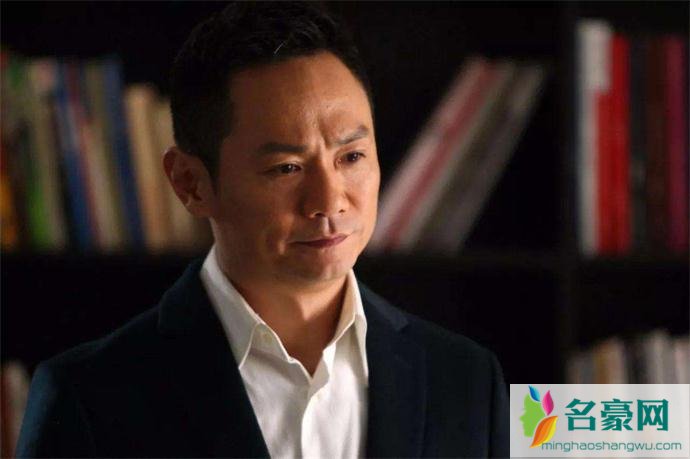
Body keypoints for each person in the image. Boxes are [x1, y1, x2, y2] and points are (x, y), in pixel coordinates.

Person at [16, 2, 509, 457]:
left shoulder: (468, 380)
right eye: (286, 168)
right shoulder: (88, 399)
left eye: (352, 157)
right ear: (190, 184)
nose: (329, 201)